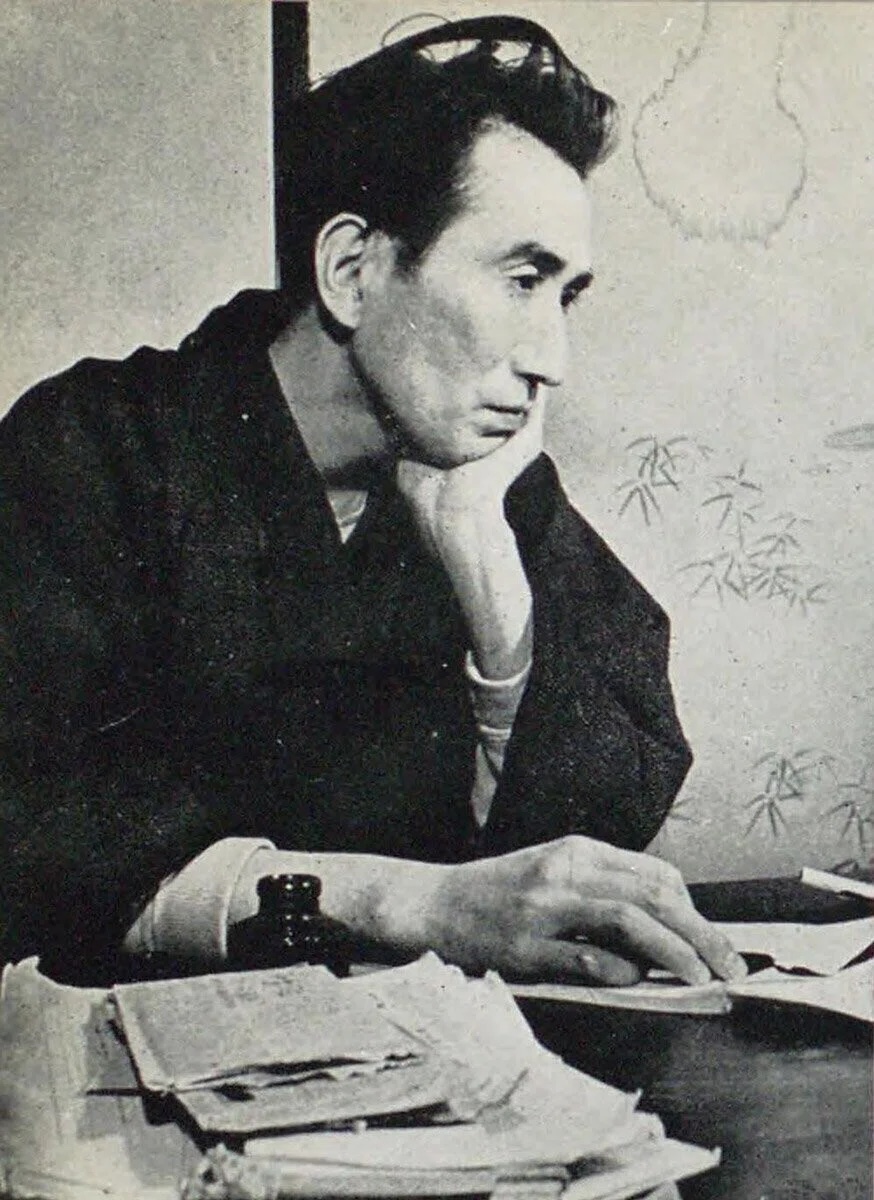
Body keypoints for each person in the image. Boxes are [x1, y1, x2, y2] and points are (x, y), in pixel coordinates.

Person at [0, 15, 745, 988]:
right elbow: (33, 842)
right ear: (352, 271)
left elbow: (580, 869)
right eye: (522, 279)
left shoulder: (485, 481)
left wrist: (490, 582)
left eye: (565, 297)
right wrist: (407, 901)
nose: (551, 360)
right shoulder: (96, 448)